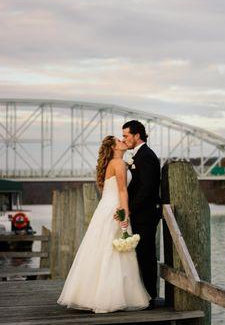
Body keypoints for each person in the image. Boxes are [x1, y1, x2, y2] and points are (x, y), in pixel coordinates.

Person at [57, 136, 150, 313]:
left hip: (105, 208)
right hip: (115, 208)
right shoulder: (119, 163)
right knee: (114, 250)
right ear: (114, 147)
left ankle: (92, 295)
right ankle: (110, 297)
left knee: (103, 249)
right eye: (118, 140)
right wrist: (124, 213)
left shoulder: (114, 164)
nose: (122, 141)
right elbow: (122, 190)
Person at [121, 120, 161, 308]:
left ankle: (151, 296)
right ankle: (142, 294)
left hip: (145, 215)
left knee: (146, 255)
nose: (124, 139)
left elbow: (147, 189)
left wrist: (130, 209)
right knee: (139, 254)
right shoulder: (138, 156)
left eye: (126, 135)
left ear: (137, 136)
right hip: (138, 214)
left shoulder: (146, 156)